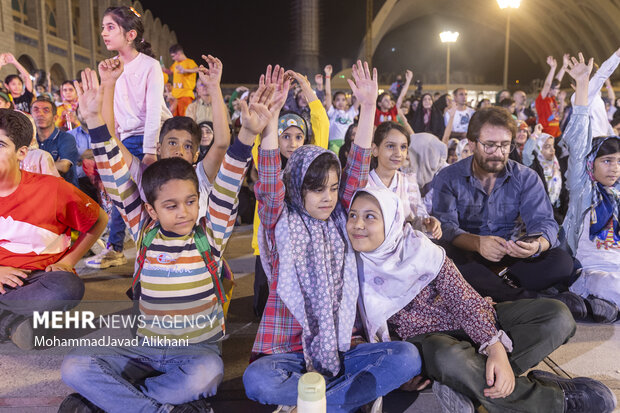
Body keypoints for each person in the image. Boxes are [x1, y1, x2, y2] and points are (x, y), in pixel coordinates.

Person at [60, 65, 267, 412]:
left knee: (208, 373)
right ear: (152, 210)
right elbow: (114, 175)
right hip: (143, 348)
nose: (184, 212)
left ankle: (120, 402)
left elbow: (230, 178)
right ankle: (159, 407)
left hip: (196, 351)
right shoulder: (143, 227)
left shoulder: (210, 233)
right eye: (170, 205)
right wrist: (95, 120)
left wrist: (247, 134)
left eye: (190, 202)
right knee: (73, 366)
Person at [243, 61, 420, 412]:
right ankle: (344, 397)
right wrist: (271, 120)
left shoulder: (341, 217)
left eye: (334, 188)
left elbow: (357, 161)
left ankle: (317, 403)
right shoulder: (280, 220)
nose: (327, 197)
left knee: (407, 357)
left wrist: (369, 106)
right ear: (296, 187)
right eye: (317, 189)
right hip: (289, 352)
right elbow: (268, 182)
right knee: (257, 379)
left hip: (344, 346)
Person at [347, 187, 617, 413]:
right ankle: (555, 400)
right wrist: (395, 373)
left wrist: (495, 347)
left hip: (469, 324)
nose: (358, 224)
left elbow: (463, 298)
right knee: (449, 356)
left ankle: (465, 383)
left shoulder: (417, 247)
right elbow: (353, 335)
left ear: (392, 221)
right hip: (426, 347)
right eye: (353, 215)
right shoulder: (348, 269)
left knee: (556, 315)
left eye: (370, 216)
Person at [431, 106, 582, 315]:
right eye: (489, 145)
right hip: (468, 256)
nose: (498, 153)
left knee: (562, 261)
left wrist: (536, 245)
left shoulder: (525, 177)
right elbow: (446, 228)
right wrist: (478, 243)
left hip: (510, 260)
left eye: (505, 146)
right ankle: (530, 299)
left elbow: (544, 223)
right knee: (439, 255)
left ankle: (493, 291)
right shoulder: (448, 177)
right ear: (472, 143)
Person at [0, 109, 107, 350]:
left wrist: (69, 261)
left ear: (21, 153)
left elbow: (99, 219)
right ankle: (12, 324)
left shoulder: (51, 188)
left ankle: (8, 319)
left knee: (67, 289)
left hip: (42, 277)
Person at [90, 6, 172, 269]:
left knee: (148, 200)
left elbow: (152, 112)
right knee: (121, 197)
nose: (104, 33)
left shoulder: (149, 66)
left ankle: (159, 252)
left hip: (148, 139)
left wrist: (150, 151)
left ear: (131, 34)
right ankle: (118, 249)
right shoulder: (110, 68)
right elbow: (109, 111)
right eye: (103, 27)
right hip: (123, 141)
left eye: (110, 27)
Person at [250, 67, 329, 317]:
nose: (292, 143)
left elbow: (322, 125)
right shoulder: (266, 163)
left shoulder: (310, 165)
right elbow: (259, 140)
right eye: (285, 136)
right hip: (269, 244)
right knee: (263, 308)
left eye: (298, 136)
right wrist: (269, 109)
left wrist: (308, 91)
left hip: (300, 244)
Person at [561, 53, 620, 323]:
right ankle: (588, 298)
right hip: (591, 269)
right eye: (607, 162)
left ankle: (602, 308)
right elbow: (577, 141)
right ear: (591, 164)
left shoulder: (617, 193)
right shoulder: (583, 188)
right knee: (609, 286)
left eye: (619, 162)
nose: (614, 168)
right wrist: (583, 84)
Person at [367, 121, 441, 238]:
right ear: (375, 149)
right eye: (390, 146)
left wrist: (427, 222)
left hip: (403, 247)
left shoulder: (408, 182)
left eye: (403, 147)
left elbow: (417, 217)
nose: (398, 153)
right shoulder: (366, 184)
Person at [31, 97, 80, 187]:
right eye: (36, 110)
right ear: (31, 116)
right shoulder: (30, 140)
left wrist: (32, 165)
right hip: (40, 191)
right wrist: (51, 164)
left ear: (55, 118)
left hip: (65, 193)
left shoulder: (66, 138)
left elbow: (64, 167)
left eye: (46, 111)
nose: (40, 114)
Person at [323, 64, 359, 153]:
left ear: (347, 102)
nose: (340, 102)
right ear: (334, 102)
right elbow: (328, 94)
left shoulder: (350, 113)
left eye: (343, 99)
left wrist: (357, 78)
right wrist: (328, 76)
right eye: (337, 100)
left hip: (348, 143)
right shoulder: (332, 112)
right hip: (334, 144)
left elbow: (359, 97)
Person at [536, 55, 568, 138]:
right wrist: (553, 68)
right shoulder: (542, 99)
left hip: (556, 135)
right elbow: (548, 85)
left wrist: (564, 66)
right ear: (550, 90)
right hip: (544, 135)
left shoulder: (553, 99)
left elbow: (557, 82)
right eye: (556, 89)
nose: (558, 91)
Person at [165, 44, 199, 116]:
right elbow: (170, 72)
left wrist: (185, 70)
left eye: (173, 56)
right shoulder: (176, 63)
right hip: (175, 96)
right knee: (174, 119)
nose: (173, 58)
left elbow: (197, 69)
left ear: (179, 53)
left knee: (184, 118)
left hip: (185, 95)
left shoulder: (190, 62)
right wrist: (163, 70)